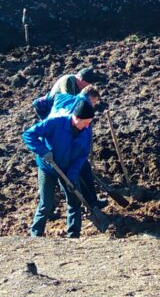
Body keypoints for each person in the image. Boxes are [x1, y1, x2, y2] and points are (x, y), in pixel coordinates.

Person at [23, 99, 95, 238]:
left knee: (74, 200)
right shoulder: (56, 123)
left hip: (67, 169)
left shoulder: (85, 132)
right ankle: (35, 234)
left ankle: (73, 235)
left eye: (89, 122)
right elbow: (28, 134)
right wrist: (43, 151)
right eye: (86, 122)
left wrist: (72, 175)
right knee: (47, 202)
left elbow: (82, 155)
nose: (88, 125)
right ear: (76, 117)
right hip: (48, 168)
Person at [47, 85, 107, 210]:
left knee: (82, 172)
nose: (94, 106)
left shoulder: (64, 98)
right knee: (82, 173)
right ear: (91, 98)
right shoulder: (84, 105)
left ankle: (89, 203)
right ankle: (90, 203)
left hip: (56, 144)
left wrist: (46, 120)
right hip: (71, 146)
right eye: (94, 102)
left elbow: (39, 103)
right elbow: (83, 129)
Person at [33, 67, 104, 120]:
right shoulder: (68, 81)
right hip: (46, 106)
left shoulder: (81, 87)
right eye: (87, 83)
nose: (88, 86)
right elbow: (68, 101)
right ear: (81, 79)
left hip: (59, 107)